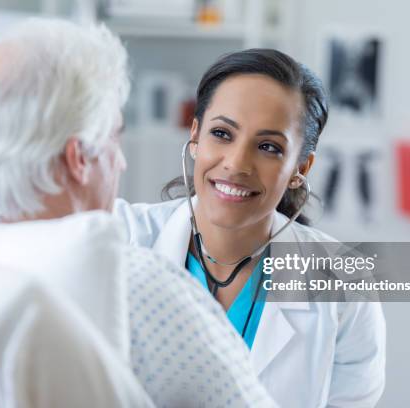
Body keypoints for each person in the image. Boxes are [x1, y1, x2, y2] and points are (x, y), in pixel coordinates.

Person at [0, 19, 276, 407]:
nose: (121, 163)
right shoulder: (140, 290)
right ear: (79, 159)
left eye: (268, 146)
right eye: (114, 137)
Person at [114, 49, 386, 407]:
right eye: (222, 134)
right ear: (195, 136)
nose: (237, 164)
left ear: (301, 168)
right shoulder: (120, 238)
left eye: (268, 147)